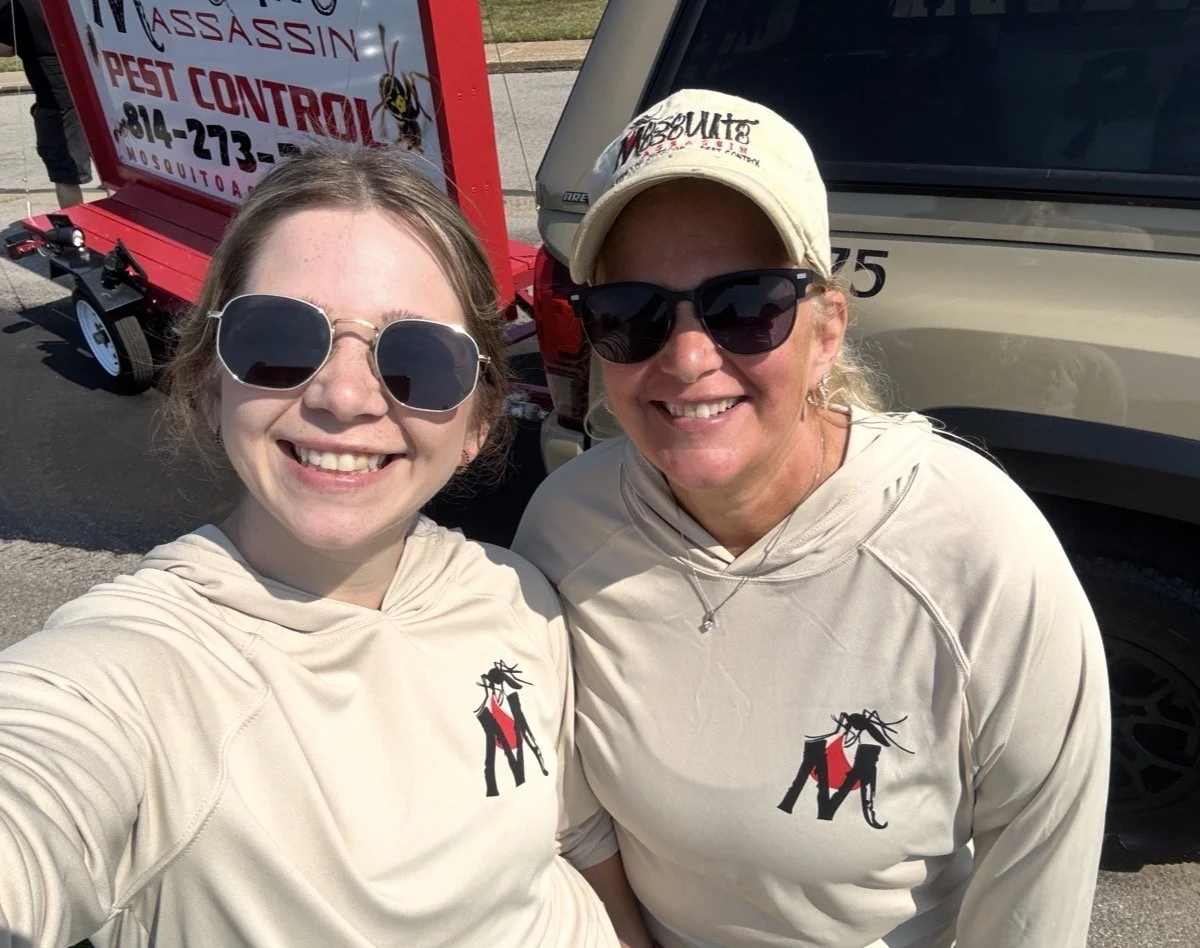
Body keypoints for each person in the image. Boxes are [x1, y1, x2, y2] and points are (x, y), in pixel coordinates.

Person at [0, 144, 649, 948]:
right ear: (210, 381)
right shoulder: (140, 675)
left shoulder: (516, 594)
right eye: (279, 339)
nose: (343, 397)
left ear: (479, 422)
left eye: (417, 359)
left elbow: (579, 841)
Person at [513, 89, 1111, 948]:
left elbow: (1037, 879)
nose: (686, 358)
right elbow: (575, 819)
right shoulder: (566, 526)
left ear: (827, 329)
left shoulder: (977, 550)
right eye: (631, 315)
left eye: (746, 304)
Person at [0, 0, 93, 207]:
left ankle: (74, 230)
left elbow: (7, 47)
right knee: (110, 163)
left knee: (65, 173)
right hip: (92, 85)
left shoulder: (14, 4)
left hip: (56, 96)